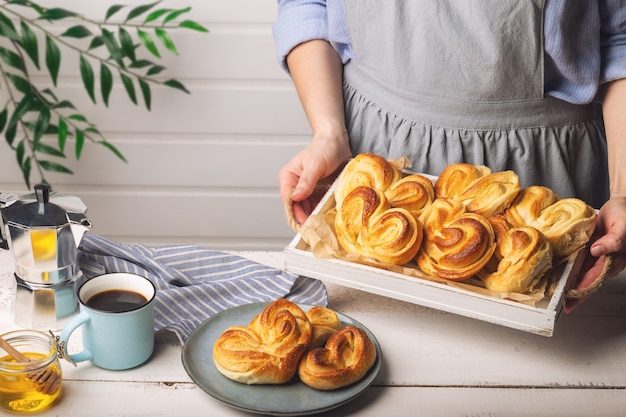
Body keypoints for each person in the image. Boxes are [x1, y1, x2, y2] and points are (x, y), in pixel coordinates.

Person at [272, 0, 626, 310]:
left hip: (543, 175)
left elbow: (620, 41)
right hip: (374, 162)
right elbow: (308, 5)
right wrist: (328, 133)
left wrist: (623, 192)